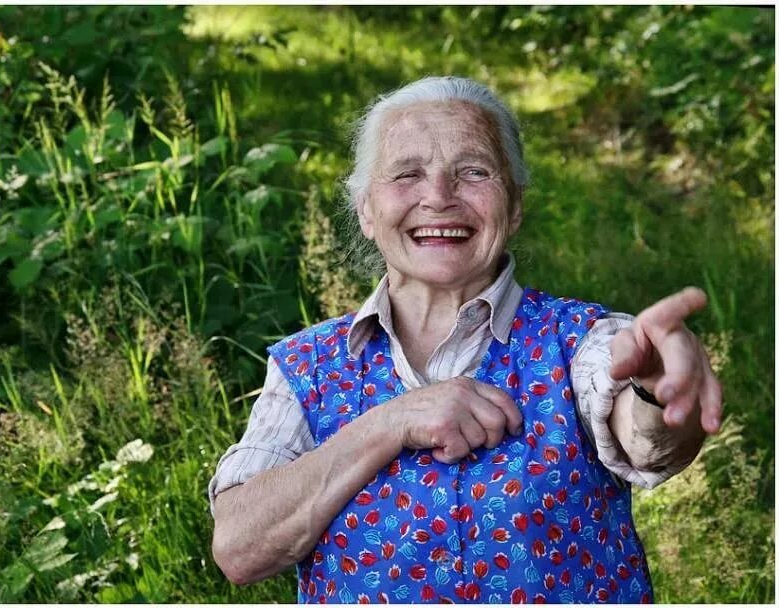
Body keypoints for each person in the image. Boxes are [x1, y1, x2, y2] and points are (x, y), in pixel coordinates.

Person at [209, 76, 722, 604]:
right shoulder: (308, 365)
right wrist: (392, 421)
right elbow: (240, 548)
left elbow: (645, 440)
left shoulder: (580, 341)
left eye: (474, 172)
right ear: (366, 209)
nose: (438, 198)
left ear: (515, 205)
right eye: (407, 174)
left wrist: (655, 391)